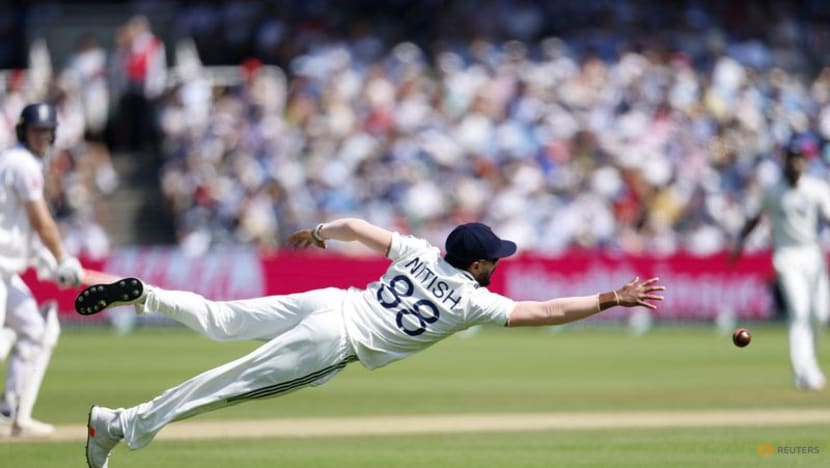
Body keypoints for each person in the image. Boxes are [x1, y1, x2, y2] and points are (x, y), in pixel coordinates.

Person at [78, 218, 665, 468]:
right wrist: (611, 299)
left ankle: (147, 295)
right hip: (337, 339)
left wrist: (319, 233)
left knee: (219, 319)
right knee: (224, 387)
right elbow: (545, 309)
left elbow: (358, 229)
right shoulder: (470, 299)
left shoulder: (421, 252)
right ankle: (117, 425)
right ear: (479, 263)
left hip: (331, 299)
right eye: (494, 260)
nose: (497, 266)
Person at [0, 103, 84, 436]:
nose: (42, 138)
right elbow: (40, 220)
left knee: (34, 330)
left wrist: (43, 260)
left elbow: (19, 226)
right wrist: (63, 258)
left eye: (47, 132)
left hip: (6, 272)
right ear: (24, 131)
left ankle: (9, 410)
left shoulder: (18, 162)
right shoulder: (22, 164)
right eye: (37, 131)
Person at [731, 138, 830, 391]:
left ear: (806, 163)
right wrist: (739, 244)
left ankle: (810, 365)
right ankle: (802, 371)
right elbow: (753, 219)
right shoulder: (772, 191)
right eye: (792, 159)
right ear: (785, 162)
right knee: (798, 311)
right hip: (786, 256)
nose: (796, 164)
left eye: (800, 159)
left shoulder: (816, 189)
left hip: (812, 254)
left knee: (819, 313)